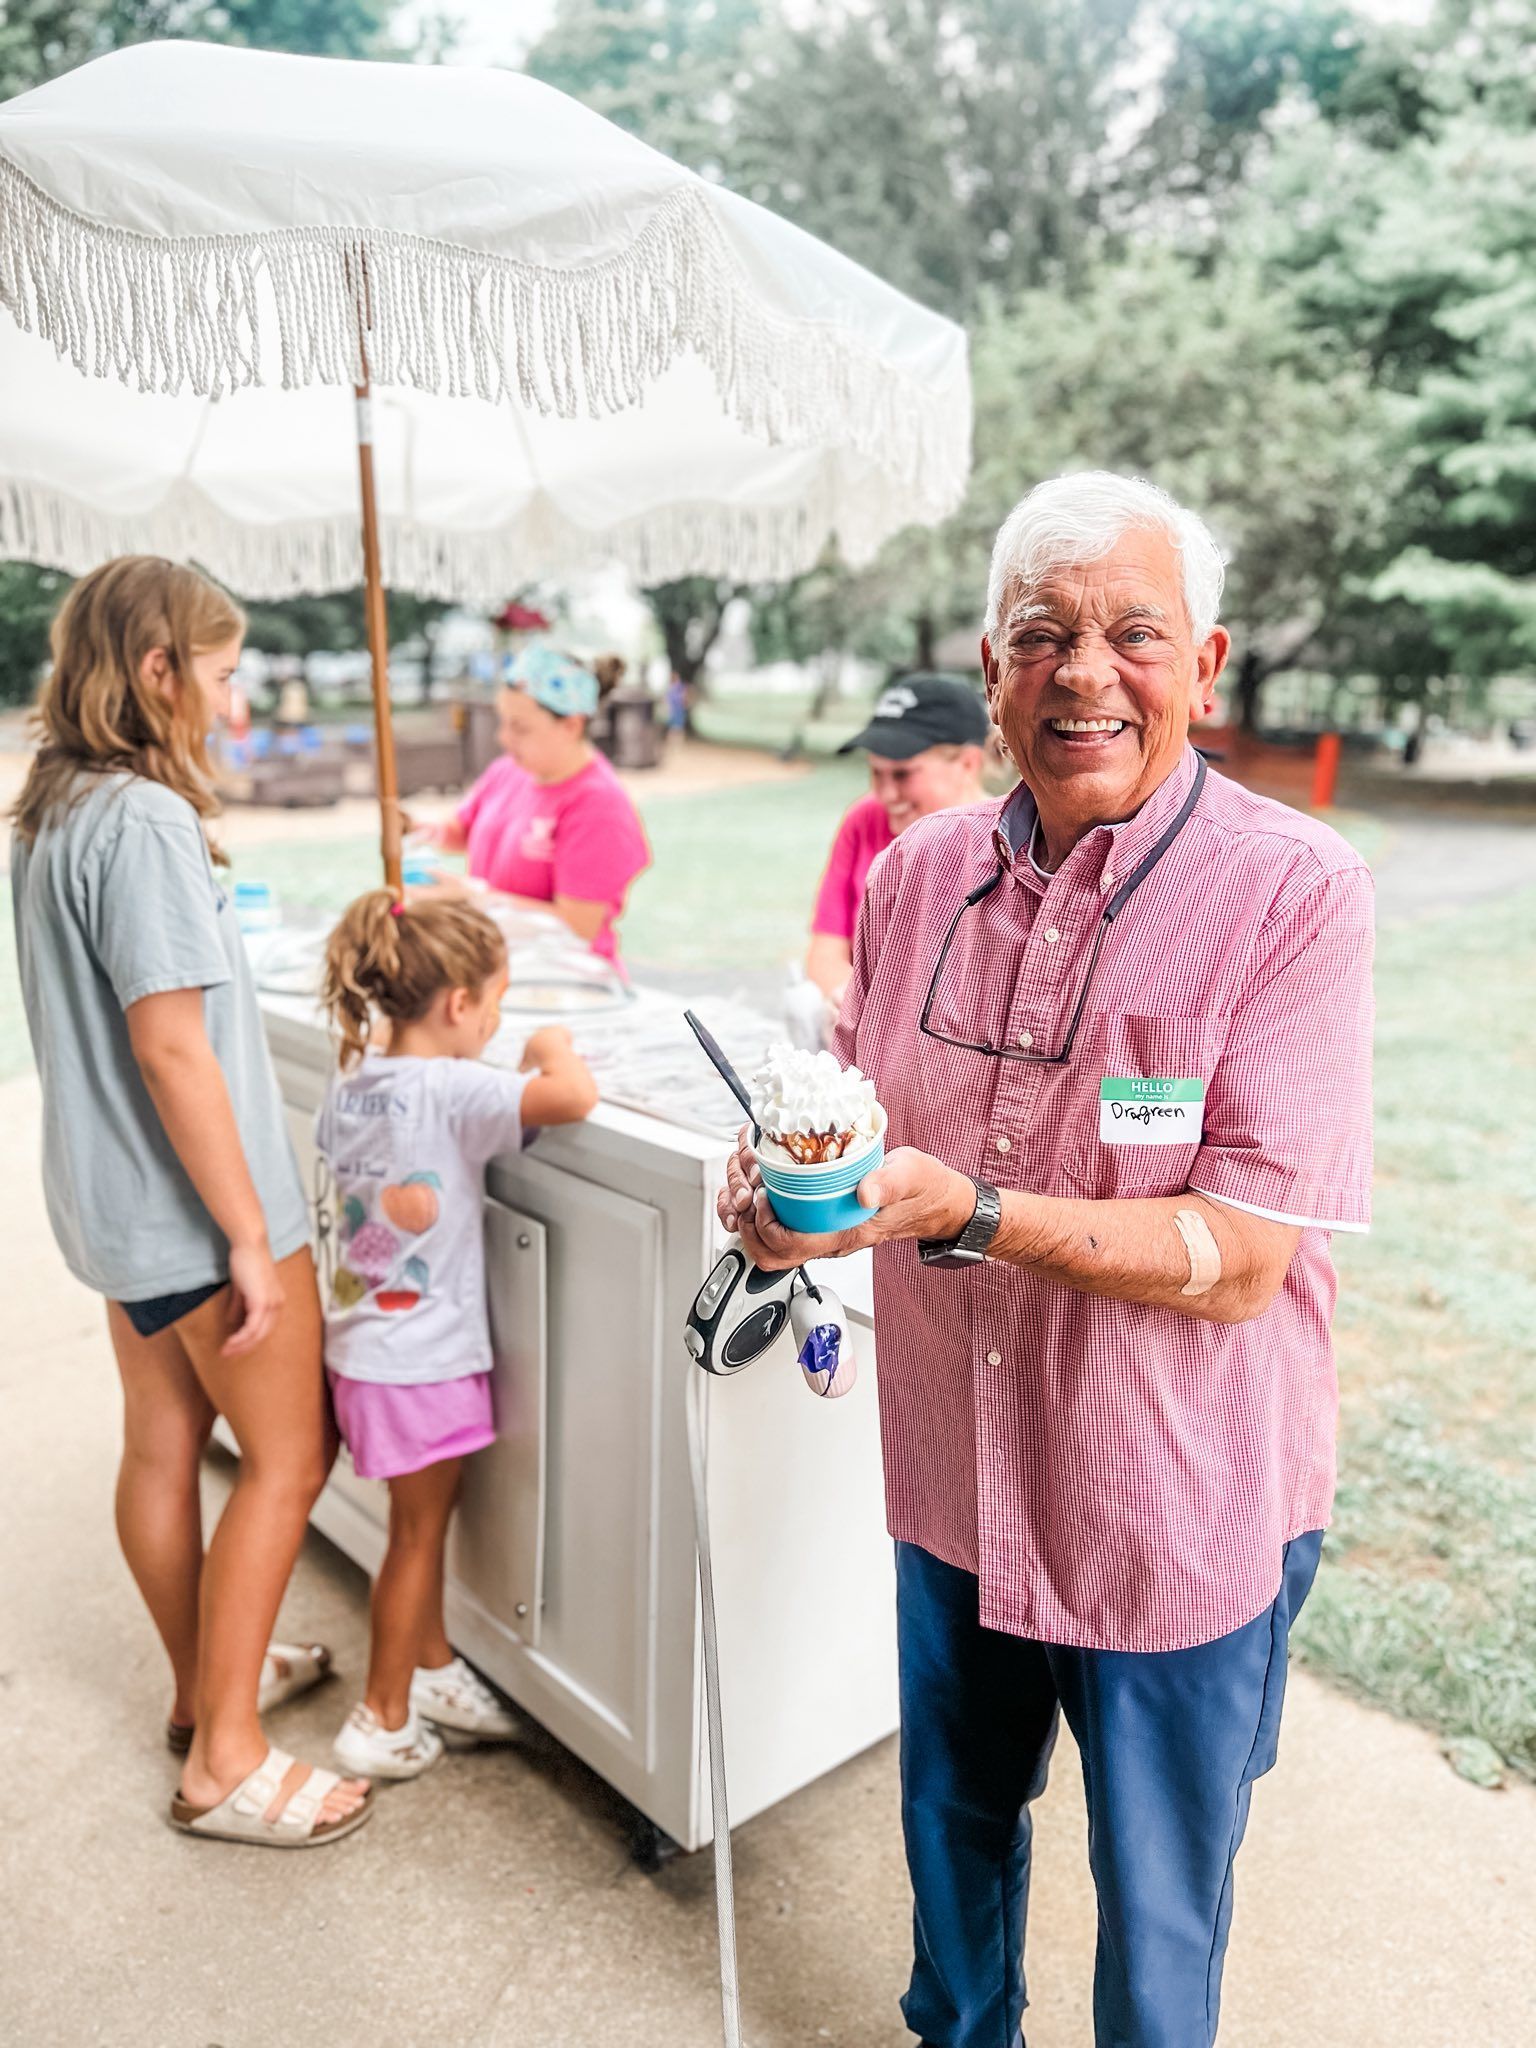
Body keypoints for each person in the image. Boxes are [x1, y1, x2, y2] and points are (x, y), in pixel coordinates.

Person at [719, 472, 1374, 2047]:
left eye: (1133, 633)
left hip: (1172, 1498)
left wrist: (976, 1210)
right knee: (951, 1840)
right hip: (955, 1473)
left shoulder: (1294, 894)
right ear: (997, 668)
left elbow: (1238, 1257)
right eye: (1044, 634)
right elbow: (868, 1134)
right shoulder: (912, 878)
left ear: (1203, 668)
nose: (1087, 671)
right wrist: (788, 1190)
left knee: (1159, 1918)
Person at [10, 557, 372, 1848]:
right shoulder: (149, 821)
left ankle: (203, 1683)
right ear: (159, 671)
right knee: (291, 1453)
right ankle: (225, 1756)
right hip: (187, 1216)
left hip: (108, 1212)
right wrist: (245, 1239)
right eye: (221, 673)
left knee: (163, 1443)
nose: (233, 698)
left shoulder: (53, 807)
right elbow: (170, 1047)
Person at [316, 890, 598, 1778]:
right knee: (415, 1540)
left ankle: (431, 1667)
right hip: (424, 1364)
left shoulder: (354, 1083)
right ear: (459, 1006)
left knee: (413, 1529)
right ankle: (381, 1718)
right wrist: (548, 1043)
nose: (498, 1024)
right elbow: (573, 1096)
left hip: (365, 1350)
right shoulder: (451, 1088)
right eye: (499, 1004)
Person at [430, 646, 650, 964]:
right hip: (505, 972)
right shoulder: (509, 771)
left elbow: (577, 927)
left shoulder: (600, 805)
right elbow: (462, 831)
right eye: (503, 721)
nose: (503, 738)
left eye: (520, 727)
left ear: (571, 726)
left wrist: (473, 900)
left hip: (567, 985)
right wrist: (416, 829)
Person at [806, 675, 991, 1016]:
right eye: (876, 773)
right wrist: (845, 998)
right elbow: (825, 952)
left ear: (968, 763)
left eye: (903, 775)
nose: (886, 794)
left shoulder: (1004, 845)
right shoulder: (864, 820)